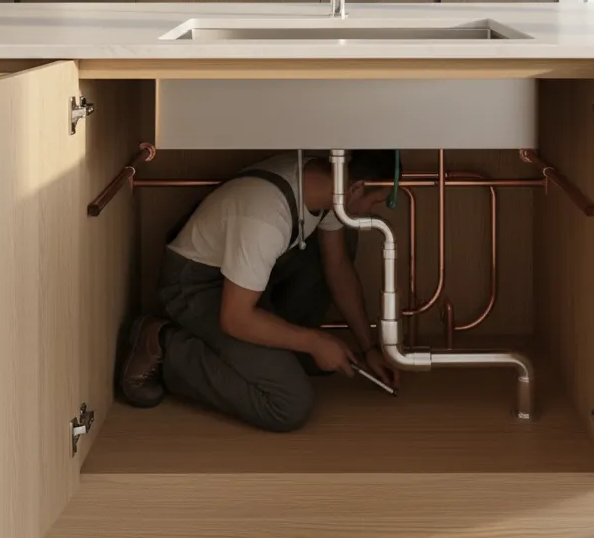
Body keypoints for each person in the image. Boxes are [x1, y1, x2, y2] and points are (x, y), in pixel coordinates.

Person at [118, 150, 401, 432]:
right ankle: (163, 344)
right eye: (375, 201)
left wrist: (369, 347)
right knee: (288, 403)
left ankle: (280, 351)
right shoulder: (266, 215)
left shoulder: (323, 183)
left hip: (244, 280)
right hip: (197, 285)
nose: (372, 211)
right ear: (356, 188)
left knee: (342, 239)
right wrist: (314, 342)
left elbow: (337, 265)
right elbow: (236, 319)